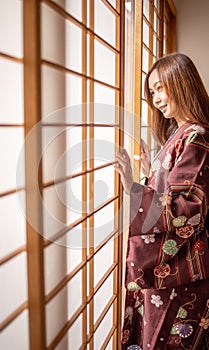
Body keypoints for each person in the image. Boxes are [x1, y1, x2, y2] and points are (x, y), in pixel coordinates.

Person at [114, 53, 209, 350]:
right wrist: (150, 173)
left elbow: (188, 209)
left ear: (181, 83)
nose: (155, 98)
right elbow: (176, 187)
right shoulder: (180, 134)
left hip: (182, 274)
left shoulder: (197, 135)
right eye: (151, 91)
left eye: (160, 88)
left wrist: (133, 188)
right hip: (171, 274)